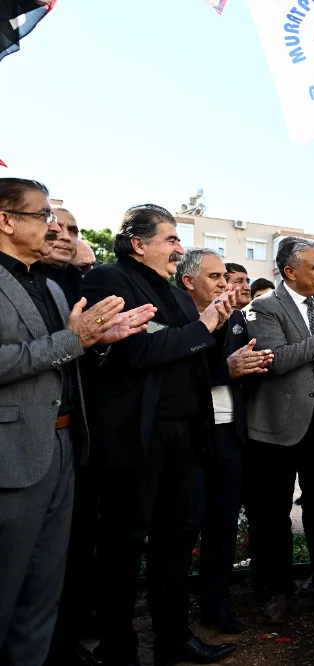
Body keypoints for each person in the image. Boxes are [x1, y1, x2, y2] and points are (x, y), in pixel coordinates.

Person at [0, 178, 153, 666]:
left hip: (66, 443)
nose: (53, 226)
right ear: (5, 220)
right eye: (42, 215)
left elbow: (67, 354)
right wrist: (76, 339)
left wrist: (101, 340)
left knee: (44, 586)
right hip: (13, 453)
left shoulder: (49, 285)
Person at [81, 205, 239, 666]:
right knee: (125, 544)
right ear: (138, 243)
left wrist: (217, 329)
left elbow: (195, 358)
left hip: (185, 437)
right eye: (170, 239)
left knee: (177, 540)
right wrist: (202, 327)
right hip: (137, 437)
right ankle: (119, 649)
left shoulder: (173, 294)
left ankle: (174, 639)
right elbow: (136, 353)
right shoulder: (107, 280)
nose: (178, 248)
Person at [243, 238, 314, 623]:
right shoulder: (263, 307)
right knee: (273, 510)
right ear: (290, 272)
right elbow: (275, 360)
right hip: (279, 421)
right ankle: (278, 590)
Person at [177, 249, 273, 634]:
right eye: (215, 277)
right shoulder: (175, 315)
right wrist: (224, 370)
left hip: (230, 435)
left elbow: (242, 368)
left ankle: (216, 603)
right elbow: (179, 373)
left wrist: (254, 366)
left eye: (225, 277)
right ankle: (174, 615)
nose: (224, 284)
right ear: (188, 281)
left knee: (223, 524)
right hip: (188, 436)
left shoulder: (235, 318)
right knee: (184, 526)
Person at [42, 208, 98, 665]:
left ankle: (69, 635)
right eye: (55, 226)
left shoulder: (81, 286)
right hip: (26, 443)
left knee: (73, 547)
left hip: (79, 437)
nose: (64, 235)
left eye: (73, 230)